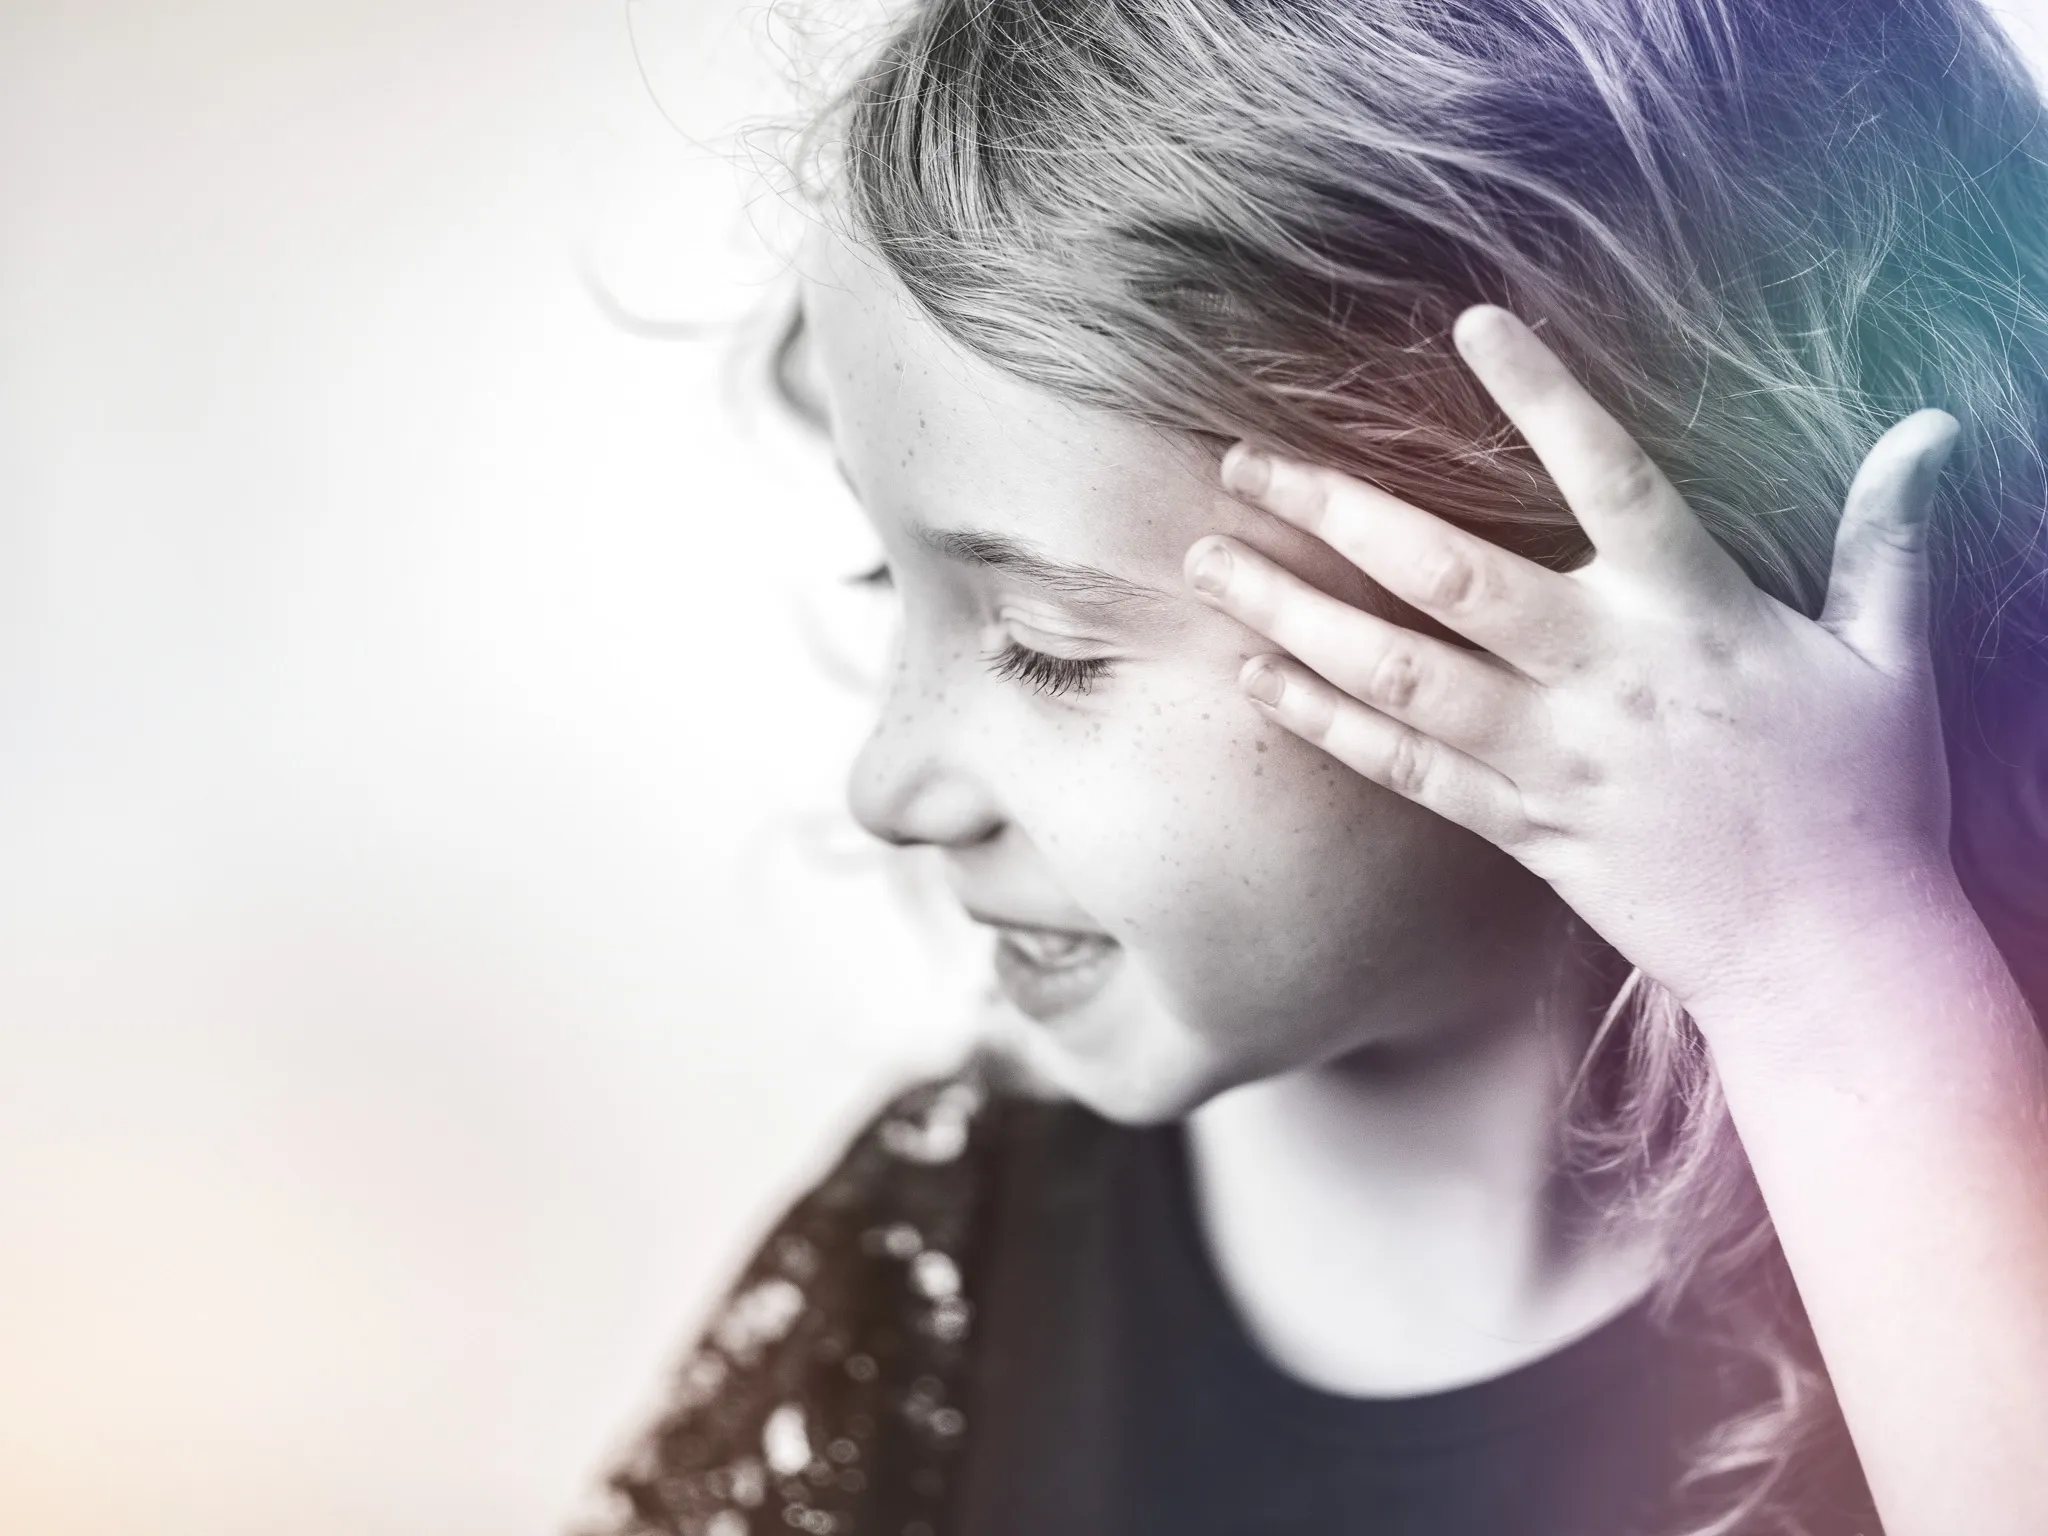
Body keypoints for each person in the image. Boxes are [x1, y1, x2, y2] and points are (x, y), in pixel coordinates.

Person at [579, 0, 2048, 1532]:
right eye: (891, 588)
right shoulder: (938, 1258)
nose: (888, 789)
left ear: (1628, 603)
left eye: (1046, 643)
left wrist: (1832, 976)